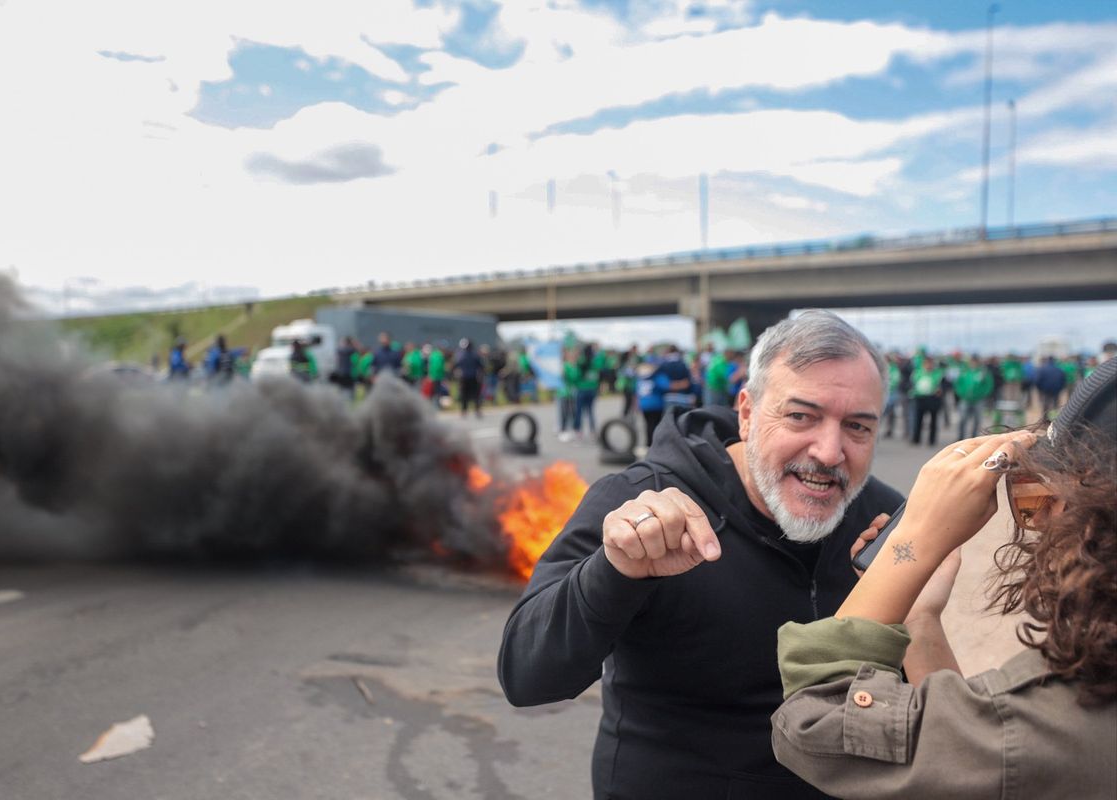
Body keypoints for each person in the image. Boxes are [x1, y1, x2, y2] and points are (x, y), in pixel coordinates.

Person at [498, 311, 904, 799]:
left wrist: (924, 594)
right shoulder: (640, 500)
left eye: (857, 427)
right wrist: (614, 572)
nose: (830, 451)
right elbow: (526, 674)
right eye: (801, 416)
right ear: (748, 413)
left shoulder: (886, 519)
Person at [771, 357, 1117, 799]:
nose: (1039, 521)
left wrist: (911, 545)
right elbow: (970, 753)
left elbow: (816, 722)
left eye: (1045, 494)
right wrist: (919, 617)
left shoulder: (1058, 723)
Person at [454, 338, 484, 418]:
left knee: (465, 395)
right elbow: (481, 366)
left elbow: (456, 366)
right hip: (471, 377)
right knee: (474, 395)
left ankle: (465, 411)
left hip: (465, 377)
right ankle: (475, 411)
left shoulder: (460, 355)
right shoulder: (475, 354)